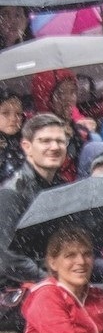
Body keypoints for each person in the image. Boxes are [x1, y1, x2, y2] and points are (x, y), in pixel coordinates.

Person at [0, 114, 69, 292]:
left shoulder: (62, 187)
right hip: (19, 294)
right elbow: (9, 260)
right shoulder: (12, 193)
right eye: (45, 141)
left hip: (55, 281)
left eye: (60, 141)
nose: (54, 147)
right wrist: (53, 282)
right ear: (27, 146)